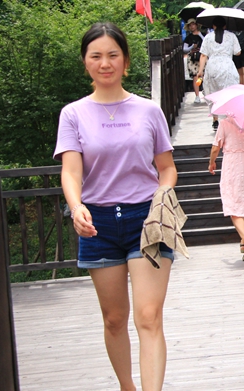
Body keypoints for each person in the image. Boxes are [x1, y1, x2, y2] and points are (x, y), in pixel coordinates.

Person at [54, 22, 177, 391]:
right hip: (97, 222)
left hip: (147, 218)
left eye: (113, 55)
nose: (105, 63)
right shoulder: (73, 114)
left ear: (125, 62)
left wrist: (161, 195)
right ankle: (128, 386)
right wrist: (76, 207)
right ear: (85, 62)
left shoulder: (148, 110)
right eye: (96, 56)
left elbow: (167, 168)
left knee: (149, 315)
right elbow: (71, 171)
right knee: (114, 318)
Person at [209, 117, 244, 261]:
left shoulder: (225, 123)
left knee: (234, 204)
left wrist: (212, 162)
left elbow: (216, 147)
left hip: (233, 165)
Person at [196, 16, 241, 130]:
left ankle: (215, 120)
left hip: (212, 67)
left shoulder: (208, 37)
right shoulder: (231, 36)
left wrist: (200, 71)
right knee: (229, 93)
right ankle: (229, 118)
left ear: (213, 26)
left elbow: (203, 55)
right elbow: (238, 52)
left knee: (213, 93)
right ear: (225, 26)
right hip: (227, 66)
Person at [183, 18, 205, 103]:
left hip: (202, 57)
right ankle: (197, 96)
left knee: (204, 75)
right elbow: (184, 49)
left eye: (193, 24)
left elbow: (207, 42)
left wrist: (200, 35)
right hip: (193, 58)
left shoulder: (202, 34)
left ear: (197, 25)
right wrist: (192, 46)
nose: (192, 26)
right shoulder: (188, 38)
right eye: (190, 25)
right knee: (195, 76)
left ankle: (205, 92)